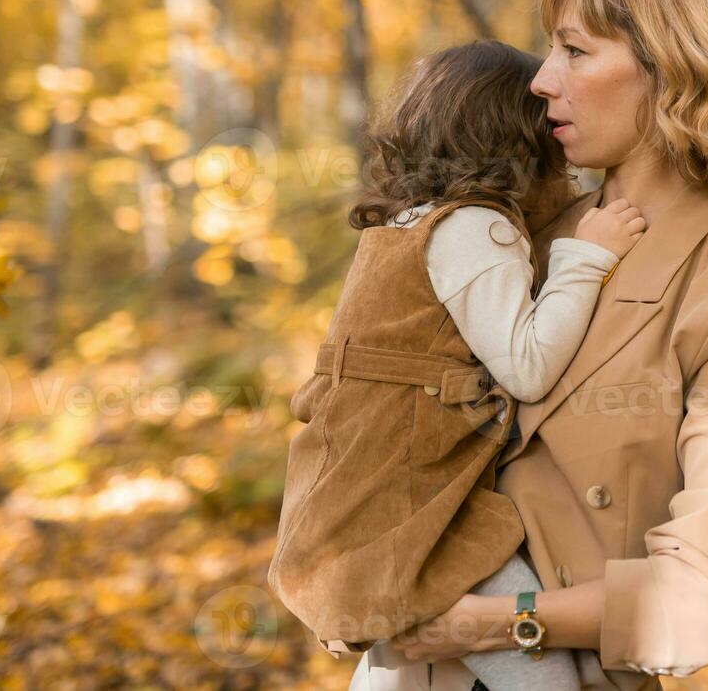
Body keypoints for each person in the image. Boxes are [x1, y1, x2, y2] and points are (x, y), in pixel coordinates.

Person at [353, 0, 708, 689]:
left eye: (574, 50)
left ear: (672, 69)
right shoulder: (508, 234)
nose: (540, 79)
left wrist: (499, 623)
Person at [269, 40, 647, 691]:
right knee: (545, 676)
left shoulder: (402, 225)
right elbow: (526, 365)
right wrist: (588, 257)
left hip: (364, 499)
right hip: (429, 512)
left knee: (402, 659)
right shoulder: (476, 226)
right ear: (520, 139)